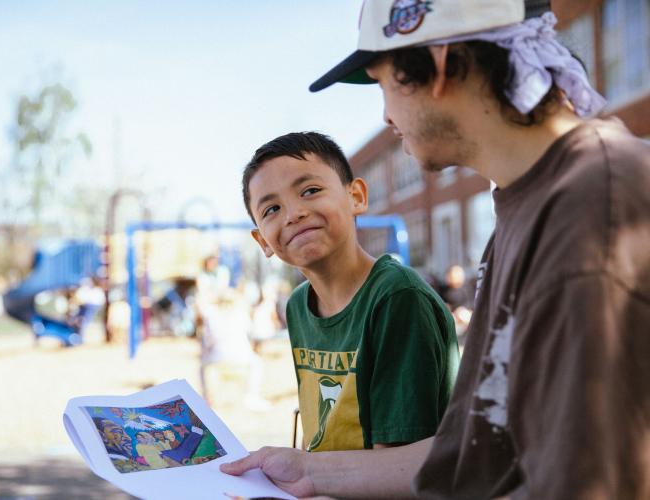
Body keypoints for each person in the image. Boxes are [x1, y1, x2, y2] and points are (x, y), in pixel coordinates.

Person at [221, 0, 650, 498]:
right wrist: (311, 472)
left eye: (384, 83)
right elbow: (482, 450)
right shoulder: (527, 207)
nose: (385, 115)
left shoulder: (594, 208)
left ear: (440, 65)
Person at [240, 131, 458, 453]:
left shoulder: (397, 298)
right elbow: (318, 431)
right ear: (263, 242)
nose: (293, 214)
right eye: (271, 209)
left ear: (356, 197)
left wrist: (305, 475)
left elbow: (397, 468)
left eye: (310, 191)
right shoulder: (299, 306)